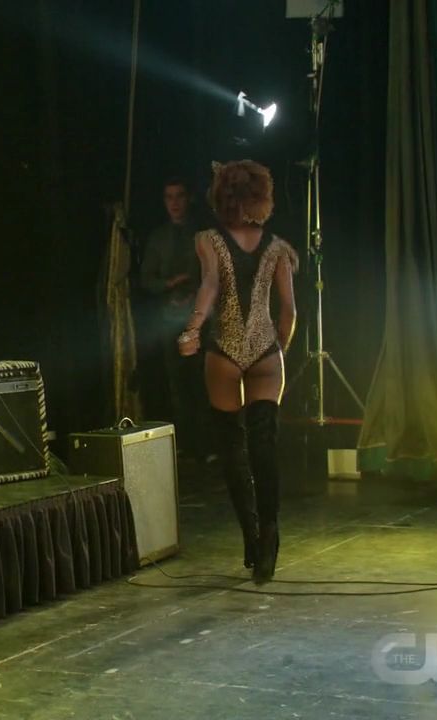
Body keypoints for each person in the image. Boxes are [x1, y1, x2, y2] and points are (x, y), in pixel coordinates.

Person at [178, 160, 298, 583]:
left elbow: (210, 284)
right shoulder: (278, 248)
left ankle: (251, 533)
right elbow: (289, 312)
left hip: (224, 352)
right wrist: (278, 349)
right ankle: (269, 534)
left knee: (232, 449)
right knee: (263, 446)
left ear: (222, 196)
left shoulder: (208, 240)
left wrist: (193, 329)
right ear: (261, 196)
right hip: (265, 352)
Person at [140, 177, 213, 462]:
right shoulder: (159, 237)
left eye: (179, 196)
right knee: (177, 384)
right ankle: (184, 445)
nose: (174, 203)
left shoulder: (202, 235)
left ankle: (206, 445)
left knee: (201, 381)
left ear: (189, 198)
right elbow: (147, 279)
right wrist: (170, 284)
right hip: (169, 319)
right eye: (169, 197)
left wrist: (194, 292)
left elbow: (214, 276)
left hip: (200, 319)